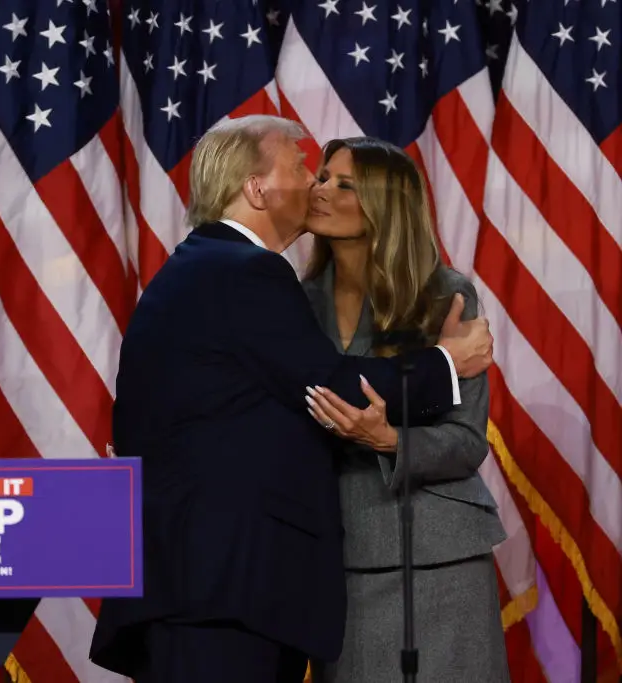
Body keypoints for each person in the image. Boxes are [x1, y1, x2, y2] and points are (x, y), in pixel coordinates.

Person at [88, 115, 495, 683]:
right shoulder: (246, 273)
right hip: (219, 591)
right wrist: (449, 361)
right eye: (303, 167)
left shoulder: (208, 267)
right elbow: (332, 383)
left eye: (334, 178)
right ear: (257, 188)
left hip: (225, 587)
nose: (314, 184)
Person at [299, 136, 510, 682]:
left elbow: (467, 442)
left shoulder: (445, 295)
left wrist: (390, 440)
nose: (320, 190)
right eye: (322, 177)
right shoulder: (292, 303)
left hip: (439, 560)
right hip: (335, 560)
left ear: (384, 204)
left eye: (344, 184)